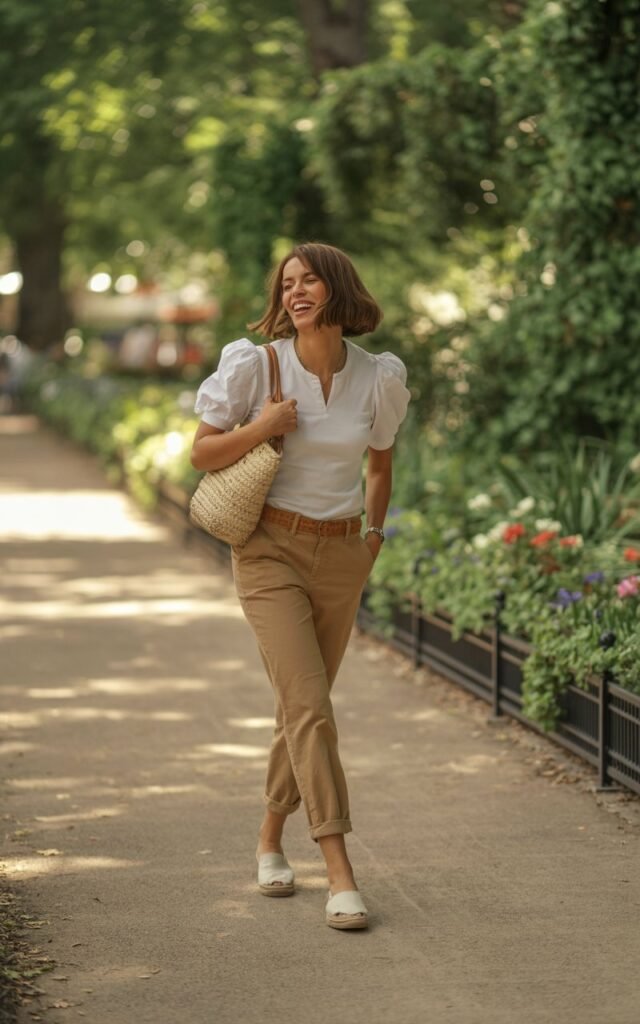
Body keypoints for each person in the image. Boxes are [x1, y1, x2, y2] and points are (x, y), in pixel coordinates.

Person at [190, 242, 410, 930]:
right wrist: (265, 425)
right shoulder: (258, 364)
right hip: (268, 551)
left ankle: (266, 840)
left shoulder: (380, 376)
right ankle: (339, 872)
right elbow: (200, 451)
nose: (296, 291)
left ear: (339, 288)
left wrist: (373, 537)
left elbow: (380, 464)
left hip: (342, 553)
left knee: (300, 708)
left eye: (309, 279)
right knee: (311, 707)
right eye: (287, 283)